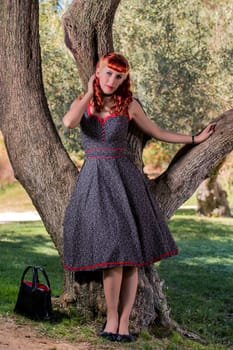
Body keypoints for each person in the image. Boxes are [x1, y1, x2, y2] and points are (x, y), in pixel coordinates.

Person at [62, 52, 215, 342]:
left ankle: (122, 325)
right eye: (108, 73)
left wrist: (195, 139)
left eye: (119, 76)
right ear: (98, 71)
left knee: (129, 257)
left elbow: (157, 132)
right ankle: (110, 319)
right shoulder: (82, 104)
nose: (112, 80)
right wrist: (88, 89)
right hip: (94, 181)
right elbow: (70, 122)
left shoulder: (129, 105)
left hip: (123, 180)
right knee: (112, 257)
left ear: (124, 79)